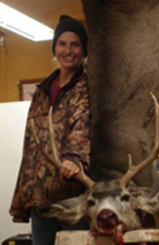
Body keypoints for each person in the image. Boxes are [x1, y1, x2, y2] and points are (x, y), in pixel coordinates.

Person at [9, 15, 90, 245]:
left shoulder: (87, 88)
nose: (68, 50)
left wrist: (74, 158)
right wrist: (26, 189)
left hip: (72, 196)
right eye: (62, 44)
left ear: (84, 50)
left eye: (75, 44)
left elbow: (82, 122)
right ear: (54, 48)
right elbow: (31, 141)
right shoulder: (43, 90)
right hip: (40, 196)